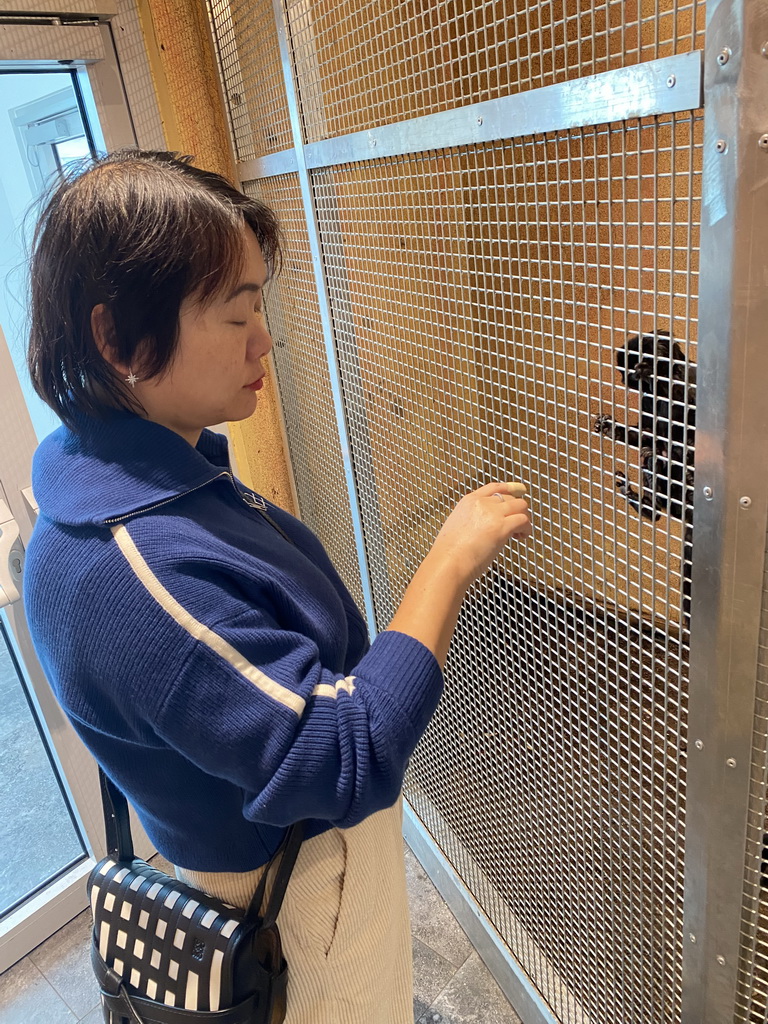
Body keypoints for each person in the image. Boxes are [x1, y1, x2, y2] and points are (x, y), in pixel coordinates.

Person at [23, 150, 531, 1024]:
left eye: (260, 303)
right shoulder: (135, 566)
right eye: (235, 312)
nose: (265, 338)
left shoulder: (125, 468)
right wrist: (448, 558)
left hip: (281, 843)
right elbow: (345, 753)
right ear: (117, 340)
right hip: (292, 881)